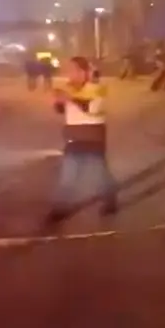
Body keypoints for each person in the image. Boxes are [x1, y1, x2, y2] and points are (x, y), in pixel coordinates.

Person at [46, 56, 118, 224]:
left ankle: (110, 199)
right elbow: (61, 110)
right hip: (73, 138)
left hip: (93, 138)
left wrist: (69, 98)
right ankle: (60, 209)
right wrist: (57, 102)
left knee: (99, 175)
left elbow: (92, 108)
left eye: (74, 70)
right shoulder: (68, 88)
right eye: (69, 70)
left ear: (85, 72)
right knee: (67, 176)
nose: (70, 74)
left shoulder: (97, 88)